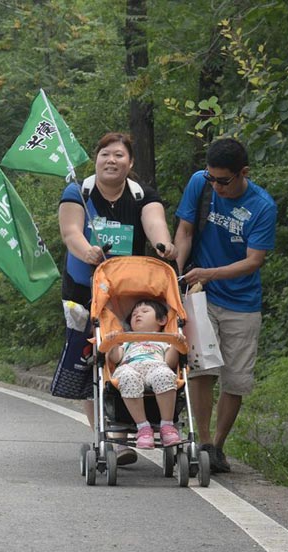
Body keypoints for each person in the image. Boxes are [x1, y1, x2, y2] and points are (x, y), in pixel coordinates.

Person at [56, 131, 177, 465]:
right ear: (96, 159)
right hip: (85, 289)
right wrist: (89, 252)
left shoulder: (141, 194)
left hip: (127, 292)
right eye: (105, 154)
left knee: (125, 358)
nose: (112, 160)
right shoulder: (78, 192)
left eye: (119, 155)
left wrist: (163, 246)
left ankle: (142, 424)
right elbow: (71, 234)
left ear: (130, 162)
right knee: (92, 362)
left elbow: (156, 224)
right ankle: (108, 438)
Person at [174, 138, 277, 473]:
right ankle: (201, 443)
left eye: (223, 180)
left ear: (243, 173)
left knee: (236, 379)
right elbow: (186, 230)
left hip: (242, 301)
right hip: (202, 294)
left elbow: (253, 261)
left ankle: (218, 446)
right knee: (201, 369)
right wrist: (178, 271)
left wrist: (210, 272)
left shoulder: (262, 206)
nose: (215, 186)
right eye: (211, 177)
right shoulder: (199, 184)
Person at [108, 300, 184, 449]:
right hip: (130, 367)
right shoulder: (127, 339)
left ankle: (167, 425)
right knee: (127, 377)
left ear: (161, 320)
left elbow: (169, 362)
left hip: (155, 366)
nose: (138, 315)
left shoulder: (164, 339)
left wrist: (176, 345)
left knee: (165, 374)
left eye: (144, 311)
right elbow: (115, 357)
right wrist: (112, 343)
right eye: (134, 313)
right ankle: (143, 427)